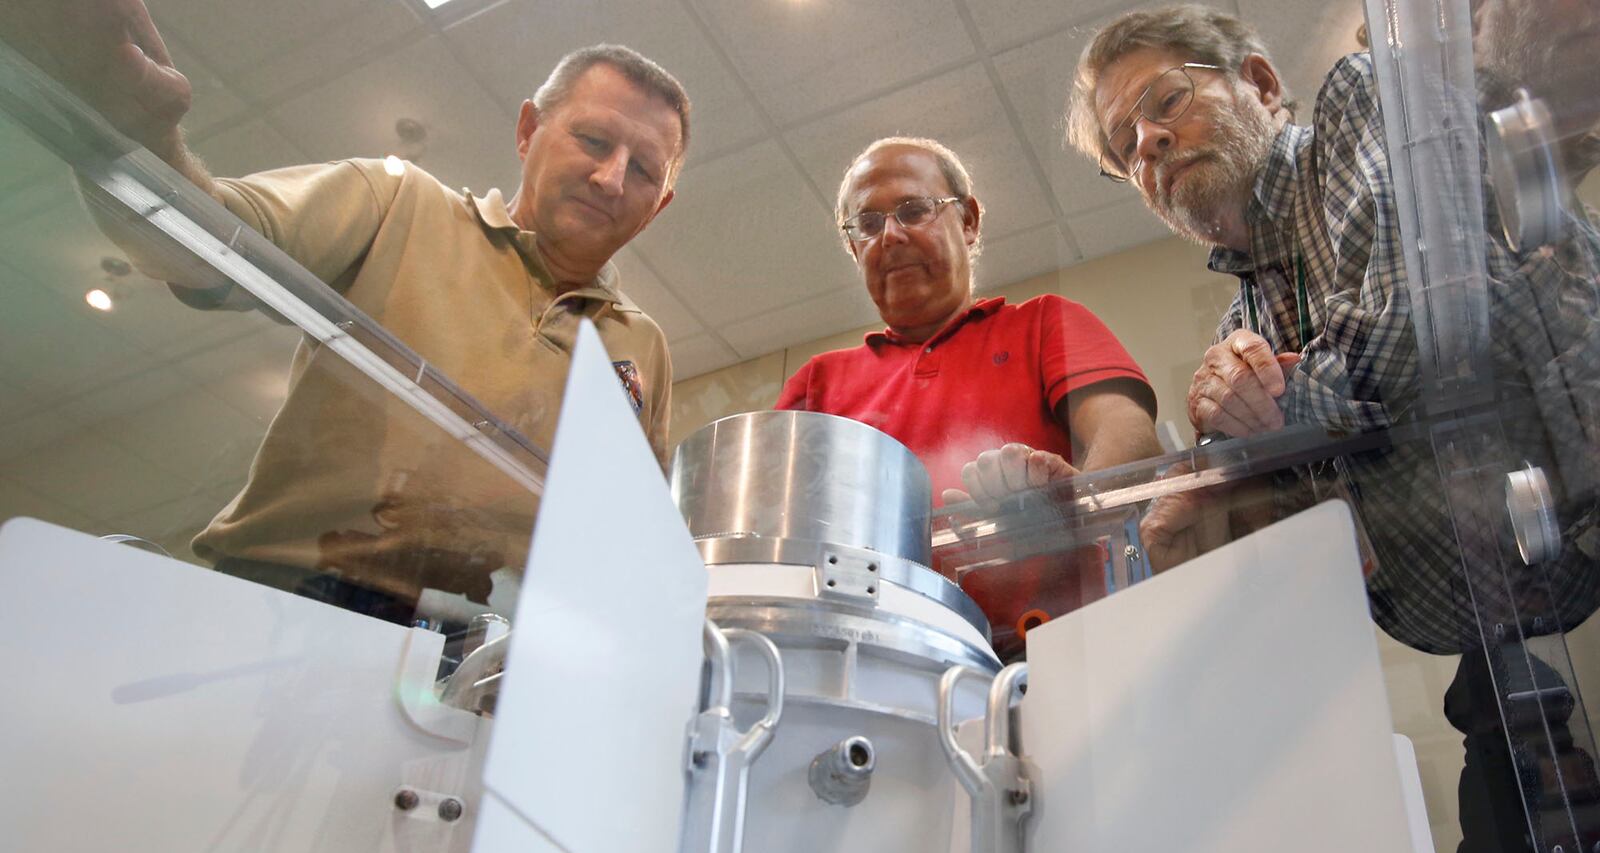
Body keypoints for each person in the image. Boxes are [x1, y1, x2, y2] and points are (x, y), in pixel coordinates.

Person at [1066, 7, 1600, 853]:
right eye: (1127, 147)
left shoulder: (1362, 105)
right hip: (1499, 643)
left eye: (1168, 102)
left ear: (1259, 79)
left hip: (1568, 542)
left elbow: (1427, 322)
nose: (1152, 145)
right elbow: (1334, 536)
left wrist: (1282, 421)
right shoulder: (1247, 319)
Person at [1, 4, 688, 621]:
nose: (611, 178)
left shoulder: (642, 347)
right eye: (595, 142)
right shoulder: (400, 205)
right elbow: (207, 246)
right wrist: (119, 122)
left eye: (643, 171)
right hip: (290, 606)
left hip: (493, 670)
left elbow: (630, 539)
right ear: (528, 129)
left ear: (659, 206)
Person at [775, 135, 1160, 647]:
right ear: (853, 248)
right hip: (864, 664)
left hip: (1052, 653)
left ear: (970, 221)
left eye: (914, 210)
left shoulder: (1045, 324)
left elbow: (1129, 434)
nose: (890, 236)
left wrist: (1074, 507)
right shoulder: (816, 382)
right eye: (868, 224)